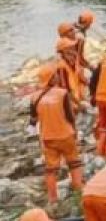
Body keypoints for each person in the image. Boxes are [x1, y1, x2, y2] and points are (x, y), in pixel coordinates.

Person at [31, 65, 82, 203]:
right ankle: (79, 190)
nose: (58, 77)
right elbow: (70, 115)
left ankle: (52, 199)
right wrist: (75, 129)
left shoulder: (35, 97)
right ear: (51, 78)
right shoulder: (62, 93)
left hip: (48, 138)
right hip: (66, 135)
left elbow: (33, 119)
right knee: (74, 163)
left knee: (50, 170)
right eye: (56, 75)